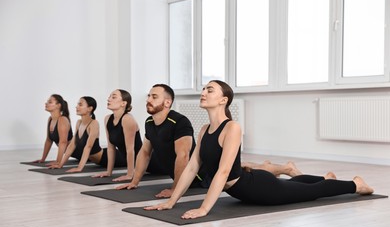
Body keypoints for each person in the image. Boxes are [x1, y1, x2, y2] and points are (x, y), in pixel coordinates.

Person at [144, 80, 374, 219]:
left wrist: (204, 208)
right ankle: (324, 177)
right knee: (293, 184)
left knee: (311, 192)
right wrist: (171, 201)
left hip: (260, 189)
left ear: (223, 100)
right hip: (245, 187)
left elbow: (223, 172)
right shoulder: (204, 129)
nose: (203, 92)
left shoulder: (232, 127)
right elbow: (192, 167)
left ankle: (356, 184)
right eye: (204, 88)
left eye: (210, 90)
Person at [116, 84, 303, 198]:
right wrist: (135, 181)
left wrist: (175, 189)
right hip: (189, 174)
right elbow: (145, 152)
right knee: (243, 165)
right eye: (148, 95)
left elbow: (183, 157)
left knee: (240, 169)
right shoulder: (149, 121)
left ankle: (285, 168)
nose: (148, 99)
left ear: (167, 102)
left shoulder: (179, 122)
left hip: (202, 175)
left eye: (153, 96)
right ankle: (274, 166)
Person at [48, 96, 132, 172]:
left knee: (135, 162)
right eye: (77, 104)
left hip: (108, 158)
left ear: (90, 108)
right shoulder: (79, 123)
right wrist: (60, 164)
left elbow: (88, 147)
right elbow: (72, 145)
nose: (77, 106)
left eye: (80, 104)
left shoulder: (94, 124)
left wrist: (80, 167)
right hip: (99, 161)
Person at [92, 90, 142, 178]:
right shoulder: (107, 119)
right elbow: (111, 148)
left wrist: (130, 174)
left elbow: (130, 150)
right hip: (133, 161)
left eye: (113, 97)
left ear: (123, 103)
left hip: (149, 162)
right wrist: (108, 172)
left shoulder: (127, 119)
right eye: (109, 96)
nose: (109, 99)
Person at [34, 94, 74, 166]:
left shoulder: (62, 119)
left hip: (84, 152)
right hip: (76, 155)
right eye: (47, 102)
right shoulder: (50, 119)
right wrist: (43, 159)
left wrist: (58, 161)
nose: (46, 103)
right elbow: (49, 140)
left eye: (50, 102)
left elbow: (63, 142)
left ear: (58, 105)